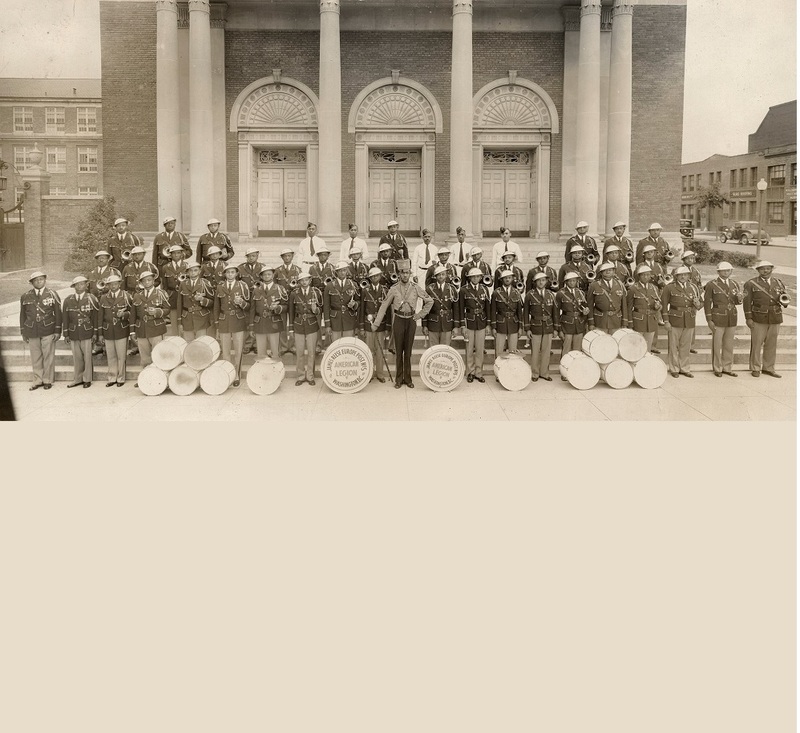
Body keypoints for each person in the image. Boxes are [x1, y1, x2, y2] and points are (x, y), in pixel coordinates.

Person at [371, 260, 433, 389]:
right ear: (399, 274)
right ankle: (399, 379)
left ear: (410, 274)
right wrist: (376, 324)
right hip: (398, 321)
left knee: (408, 352)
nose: (405, 275)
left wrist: (419, 315)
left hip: (411, 321)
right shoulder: (393, 289)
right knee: (399, 351)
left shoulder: (416, 288)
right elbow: (384, 306)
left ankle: (408, 379)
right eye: (403, 273)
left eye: (407, 273)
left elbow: (430, 301)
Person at [19, 271, 62, 391]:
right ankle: (37, 380)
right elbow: (23, 315)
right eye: (36, 280)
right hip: (32, 330)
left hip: (48, 328)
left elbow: (58, 313)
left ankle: (47, 380)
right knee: (35, 356)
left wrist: (58, 330)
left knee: (48, 356)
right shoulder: (25, 296)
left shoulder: (52, 294)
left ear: (45, 280)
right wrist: (23, 331)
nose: (39, 281)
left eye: (41, 279)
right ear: (32, 283)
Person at [743, 260, 786, 378]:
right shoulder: (751, 283)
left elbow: (783, 297)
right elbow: (746, 303)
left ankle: (768, 368)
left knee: (772, 344)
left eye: (768, 268)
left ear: (772, 269)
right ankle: (755, 367)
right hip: (758, 317)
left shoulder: (778, 282)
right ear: (758, 270)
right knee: (757, 344)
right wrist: (748, 318)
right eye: (762, 269)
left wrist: (785, 301)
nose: (765, 271)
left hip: (775, 317)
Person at [661, 265, 702, 378]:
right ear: (676, 276)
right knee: (673, 346)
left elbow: (700, 303)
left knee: (685, 346)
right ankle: (674, 368)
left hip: (689, 319)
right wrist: (666, 321)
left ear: (689, 276)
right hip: (674, 319)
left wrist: (698, 304)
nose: (683, 277)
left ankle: (684, 368)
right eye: (680, 275)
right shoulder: (669, 288)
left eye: (685, 274)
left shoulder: (693, 287)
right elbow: (664, 306)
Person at [214, 261, 250, 386]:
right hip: (224, 321)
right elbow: (216, 307)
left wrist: (241, 303)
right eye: (228, 272)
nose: (230, 274)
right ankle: (227, 374)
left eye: (232, 272)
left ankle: (237, 376)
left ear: (236, 273)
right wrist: (217, 323)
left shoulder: (242, 286)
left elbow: (248, 306)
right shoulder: (220, 286)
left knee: (238, 350)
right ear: (225, 274)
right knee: (226, 351)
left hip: (238, 320)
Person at [704, 261, 741, 378]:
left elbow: (736, 301)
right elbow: (707, 303)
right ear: (718, 272)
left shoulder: (734, 284)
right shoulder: (712, 284)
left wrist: (739, 299)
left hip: (732, 317)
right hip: (718, 316)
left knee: (729, 344)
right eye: (723, 270)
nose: (726, 272)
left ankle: (727, 367)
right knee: (717, 343)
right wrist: (709, 319)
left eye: (728, 270)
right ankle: (717, 367)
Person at [62, 275, 101, 389]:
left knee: (87, 357)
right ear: (74, 286)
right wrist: (66, 334)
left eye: (83, 284)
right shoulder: (68, 300)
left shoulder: (92, 298)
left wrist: (95, 333)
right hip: (74, 332)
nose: (80, 286)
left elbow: (95, 317)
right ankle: (78, 378)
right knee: (77, 357)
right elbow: (65, 317)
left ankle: (87, 379)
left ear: (86, 285)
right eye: (78, 284)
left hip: (87, 331)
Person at [132, 271, 170, 378]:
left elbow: (167, 309)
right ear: (141, 283)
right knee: (144, 357)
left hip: (156, 327)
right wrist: (132, 330)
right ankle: (146, 378)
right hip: (141, 329)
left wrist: (158, 312)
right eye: (144, 281)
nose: (147, 282)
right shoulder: (137, 296)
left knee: (158, 354)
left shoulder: (160, 293)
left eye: (149, 280)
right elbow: (133, 314)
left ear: (153, 281)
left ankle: (160, 377)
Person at [288, 269, 323, 386]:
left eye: (306, 280)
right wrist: (291, 328)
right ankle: (301, 376)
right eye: (301, 280)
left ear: (310, 280)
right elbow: (291, 312)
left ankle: (310, 376)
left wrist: (315, 309)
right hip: (298, 325)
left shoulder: (316, 292)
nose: (304, 282)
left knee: (312, 352)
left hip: (312, 324)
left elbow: (320, 310)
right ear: (299, 282)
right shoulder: (294, 293)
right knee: (300, 352)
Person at [98, 273, 133, 387]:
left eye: (115, 283)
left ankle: (121, 378)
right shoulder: (104, 297)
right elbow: (100, 316)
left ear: (119, 284)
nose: (113, 286)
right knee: (111, 355)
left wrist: (124, 314)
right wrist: (100, 333)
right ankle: (112, 377)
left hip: (121, 329)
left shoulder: (126, 296)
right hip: (108, 330)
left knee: (121, 355)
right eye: (110, 284)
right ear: (107, 285)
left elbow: (132, 313)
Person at [524, 271, 559, 382]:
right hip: (535, 326)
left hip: (548, 326)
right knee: (535, 351)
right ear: (535, 282)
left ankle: (544, 373)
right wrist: (527, 328)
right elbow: (526, 313)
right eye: (538, 280)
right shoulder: (530, 295)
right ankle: (535, 373)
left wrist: (556, 328)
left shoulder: (551, 295)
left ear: (546, 281)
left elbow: (555, 313)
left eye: (543, 280)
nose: (541, 282)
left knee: (546, 350)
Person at [249, 265, 288, 359]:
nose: (267, 276)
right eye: (264, 274)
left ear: (273, 275)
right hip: (260, 323)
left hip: (274, 322)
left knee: (275, 353)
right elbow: (252, 309)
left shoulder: (280, 288)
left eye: (269, 274)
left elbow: (286, 306)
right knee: (261, 354)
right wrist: (251, 326)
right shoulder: (256, 290)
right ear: (261, 276)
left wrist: (277, 307)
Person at [358, 267, 389, 383]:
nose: (375, 278)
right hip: (368, 325)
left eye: (377, 276)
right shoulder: (365, 290)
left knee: (380, 350)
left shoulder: (385, 290)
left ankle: (380, 374)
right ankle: (370, 373)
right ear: (369, 278)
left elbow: (388, 310)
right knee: (369, 350)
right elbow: (361, 310)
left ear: (380, 276)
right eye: (372, 277)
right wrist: (361, 326)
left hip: (381, 325)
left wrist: (387, 327)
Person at [459, 267, 490, 383]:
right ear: (469, 278)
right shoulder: (463, 290)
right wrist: (462, 325)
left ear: (481, 277)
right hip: (469, 322)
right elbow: (460, 308)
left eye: (477, 276)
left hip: (481, 321)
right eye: (473, 277)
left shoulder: (484, 289)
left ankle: (478, 372)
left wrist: (488, 324)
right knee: (469, 348)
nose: (475, 278)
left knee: (480, 348)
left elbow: (488, 307)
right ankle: (470, 372)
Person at [87, 250, 121, 355]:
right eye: (99, 258)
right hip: (95, 301)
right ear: (96, 260)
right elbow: (88, 288)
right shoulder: (91, 273)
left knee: (107, 322)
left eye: (104, 258)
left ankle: (107, 346)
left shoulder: (113, 272)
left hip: (108, 301)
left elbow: (118, 287)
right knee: (96, 322)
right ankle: (98, 345)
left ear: (108, 259)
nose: (101, 259)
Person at [625, 264, 664, 353]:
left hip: (651, 320)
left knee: (648, 347)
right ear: (639, 276)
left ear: (650, 276)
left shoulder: (654, 288)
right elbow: (629, 307)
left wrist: (657, 306)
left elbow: (659, 303)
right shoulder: (633, 289)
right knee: (637, 346)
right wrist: (630, 322)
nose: (646, 277)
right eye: (643, 275)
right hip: (638, 320)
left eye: (648, 274)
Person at [555, 271, 588, 371]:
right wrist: (559, 329)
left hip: (579, 324)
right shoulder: (561, 294)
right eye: (570, 281)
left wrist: (586, 312)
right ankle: (564, 370)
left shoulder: (581, 293)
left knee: (577, 350)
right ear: (566, 282)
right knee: (566, 349)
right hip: (566, 324)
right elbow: (556, 312)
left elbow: (584, 307)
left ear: (577, 281)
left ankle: (575, 370)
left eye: (574, 281)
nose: (572, 283)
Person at [490, 269, 523, 360]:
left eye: (509, 278)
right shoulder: (496, 293)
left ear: (512, 279)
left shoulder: (516, 292)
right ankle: (498, 369)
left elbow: (519, 312)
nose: (507, 280)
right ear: (501, 280)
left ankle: (510, 372)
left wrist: (520, 327)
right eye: (505, 278)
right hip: (500, 322)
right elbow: (493, 310)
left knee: (513, 351)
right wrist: (493, 327)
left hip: (513, 323)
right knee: (499, 350)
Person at [423, 265, 460, 346]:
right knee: (434, 350)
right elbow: (425, 308)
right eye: (439, 274)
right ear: (435, 276)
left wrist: (456, 326)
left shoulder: (452, 289)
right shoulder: (429, 289)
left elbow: (456, 309)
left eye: (443, 274)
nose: (441, 276)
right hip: (433, 324)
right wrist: (424, 325)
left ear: (446, 275)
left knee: (445, 350)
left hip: (447, 324)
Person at [674, 249, 703, 353]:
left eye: (692, 258)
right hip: (680, 299)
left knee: (691, 322)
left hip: (692, 300)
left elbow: (699, 285)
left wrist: (698, 296)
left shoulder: (696, 271)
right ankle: (678, 344)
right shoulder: (677, 270)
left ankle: (690, 344)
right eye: (688, 258)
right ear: (683, 259)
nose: (691, 260)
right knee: (679, 324)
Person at [176, 262, 214, 341]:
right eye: (191, 271)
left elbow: (212, 302)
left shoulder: (205, 283)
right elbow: (179, 303)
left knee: (201, 343)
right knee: (188, 344)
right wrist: (179, 322)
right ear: (187, 272)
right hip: (187, 319)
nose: (193, 273)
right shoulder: (183, 284)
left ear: (200, 271)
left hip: (201, 319)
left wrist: (202, 300)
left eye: (195, 270)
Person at [323, 261, 360, 341]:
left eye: (344, 270)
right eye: (340, 270)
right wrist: (327, 324)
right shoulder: (329, 286)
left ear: (347, 271)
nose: (342, 272)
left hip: (349, 319)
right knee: (335, 345)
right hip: (335, 320)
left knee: (348, 343)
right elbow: (326, 307)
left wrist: (354, 304)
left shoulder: (353, 284)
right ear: (336, 272)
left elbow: (358, 301)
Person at [587, 262, 628, 333]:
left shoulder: (620, 285)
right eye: (605, 270)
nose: (608, 272)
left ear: (614, 271)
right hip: (600, 320)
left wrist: (624, 322)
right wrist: (591, 322)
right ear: (601, 273)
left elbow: (624, 304)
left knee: (615, 342)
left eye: (610, 270)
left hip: (616, 321)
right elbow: (590, 305)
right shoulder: (594, 285)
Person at [274, 248, 301, 355]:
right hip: (282, 301)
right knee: (282, 323)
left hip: (294, 300)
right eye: (285, 256)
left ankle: (293, 346)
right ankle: (284, 346)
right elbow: (274, 286)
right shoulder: (277, 271)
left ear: (292, 256)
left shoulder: (298, 270)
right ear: (282, 258)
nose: (287, 258)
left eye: (289, 255)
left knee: (294, 323)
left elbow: (302, 283)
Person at [237, 248, 264, 355]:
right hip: (246, 297)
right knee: (247, 320)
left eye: (253, 256)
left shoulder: (262, 267)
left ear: (257, 256)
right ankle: (248, 344)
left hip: (259, 297)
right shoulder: (241, 268)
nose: (251, 258)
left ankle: (257, 344)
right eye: (249, 256)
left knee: (258, 319)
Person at [160, 244, 188, 337]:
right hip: (172, 296)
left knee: (184, 322)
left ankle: (185, 341)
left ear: (182, 254)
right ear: (170, 255)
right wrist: (165, 297)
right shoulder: (165, 267)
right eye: (173, 253)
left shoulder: (186, 266)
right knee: (174, 321)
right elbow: (164, 285)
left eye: (178, 253)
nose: (176, 255)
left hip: (184, 296)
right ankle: (176, 340)